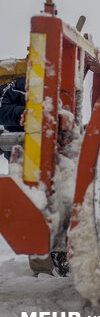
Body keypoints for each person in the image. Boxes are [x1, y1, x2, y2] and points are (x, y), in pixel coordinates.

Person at [0, 76, 69, 277]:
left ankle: (62, 260)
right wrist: (26, 114)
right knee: (35, 208)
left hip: (57, 159)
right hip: (26, 161)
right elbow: (1, 111)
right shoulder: (15, 88)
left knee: (60, 206)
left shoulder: (64, 92)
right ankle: (42, 271)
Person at [0, 77, 26, 160]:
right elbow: (1, 110)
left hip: (59, 153)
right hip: (20, 156)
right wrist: (27, 115)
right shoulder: (16, 85)